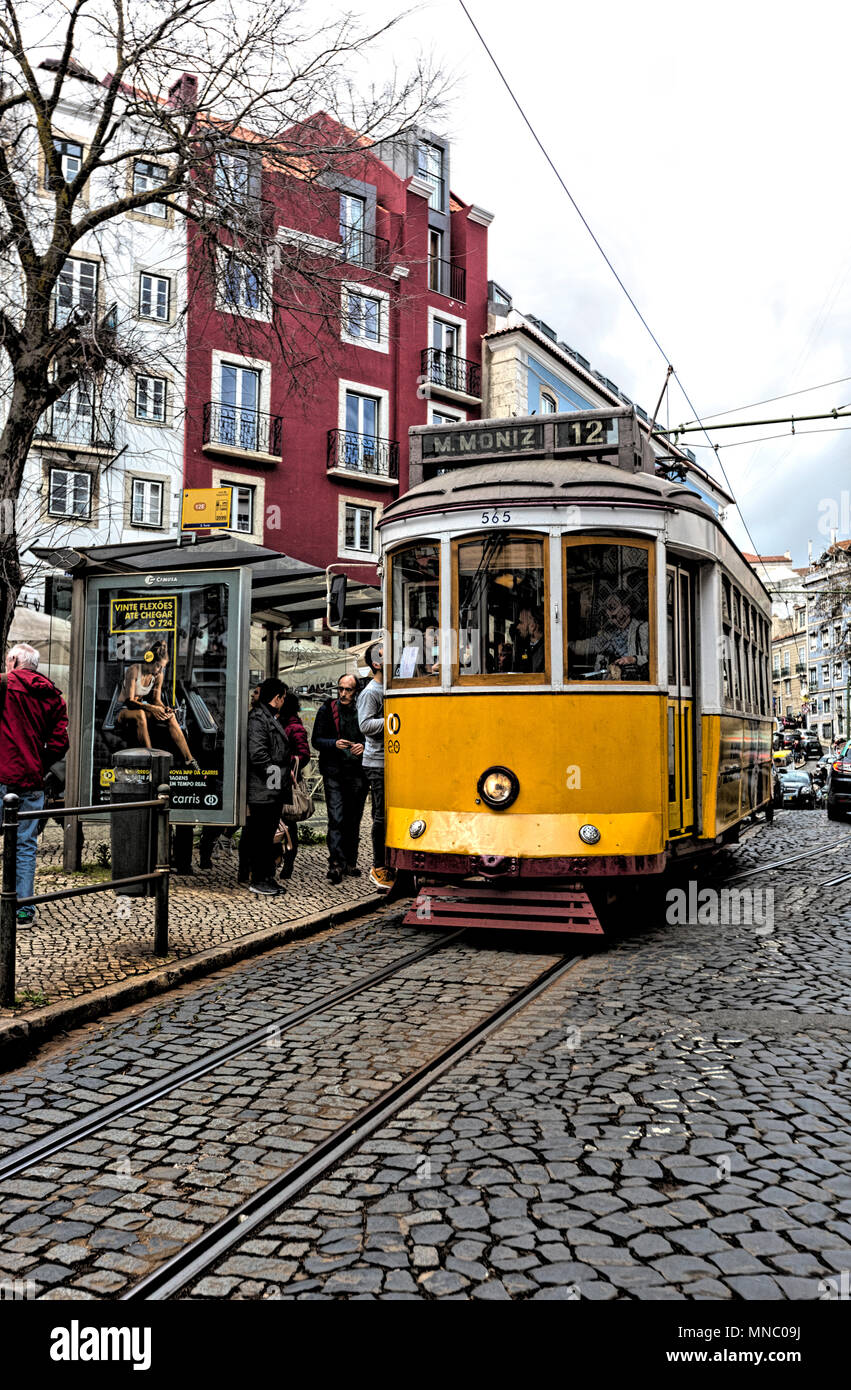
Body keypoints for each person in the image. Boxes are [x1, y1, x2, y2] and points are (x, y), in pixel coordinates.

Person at [0, 643, 69, 926]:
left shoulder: (5, 685)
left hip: (3, 776)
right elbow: (60, 743)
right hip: (32, 780)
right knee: (26, 845)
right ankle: (24, 909)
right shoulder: (53, 696)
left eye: (8, 660)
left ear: (15, 660)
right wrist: (39, 763)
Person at [312, 674, 368, 884]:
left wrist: (364, 746)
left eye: (348, 690)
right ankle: (335, 863)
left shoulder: (363, 710)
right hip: (334, 771)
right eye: (341, 689)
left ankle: (350, 862)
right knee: (336, 817)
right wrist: (333, 743)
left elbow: (374, 737)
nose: (343, 693)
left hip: (357, 772)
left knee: (353, 819)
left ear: (356, 692)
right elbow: (316, 740)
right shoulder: (327, 710)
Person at [115, 639, 198, 769]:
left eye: (163, 667)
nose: (160, 670)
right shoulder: (134, 670)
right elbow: (129, 701)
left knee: (170, 716)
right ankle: (152, 761)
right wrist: (152, 708)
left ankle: (190, 759)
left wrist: (164, 708)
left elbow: (156, 699)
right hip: (122, 711)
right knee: (140, 714)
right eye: (159, 666)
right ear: (149, 660)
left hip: (140, 707)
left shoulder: (158, 675)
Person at [243, 677, 290, 896]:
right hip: (264, 791)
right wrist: (278, 778)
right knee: (261, 837)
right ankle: (260, 879)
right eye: (283, 697)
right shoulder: (259, 718)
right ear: (278, 698)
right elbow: (258, 755)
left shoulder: (266, 716)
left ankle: (265, 877)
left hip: (270, 789)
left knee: (266, 835)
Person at [357, 641, 394, 892]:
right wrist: (393, 718)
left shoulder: (389, 687)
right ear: (377, 663)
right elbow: (365, 725)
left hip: (390, 759)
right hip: (376, 762)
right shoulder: (371, 692)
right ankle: (378, 865)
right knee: (380, 815)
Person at [277, 690, 311, 881]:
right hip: (278, 779)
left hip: (288, 781)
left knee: (288, 823)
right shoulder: (279, 721)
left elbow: (303, 754)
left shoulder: (294, 726)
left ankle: (288, 862)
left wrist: (285, 762)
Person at [513, 607, 545, 674]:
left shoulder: (548, 649)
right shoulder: (521, 648)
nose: (518, 626)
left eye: (521, 622)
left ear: (532, 626)